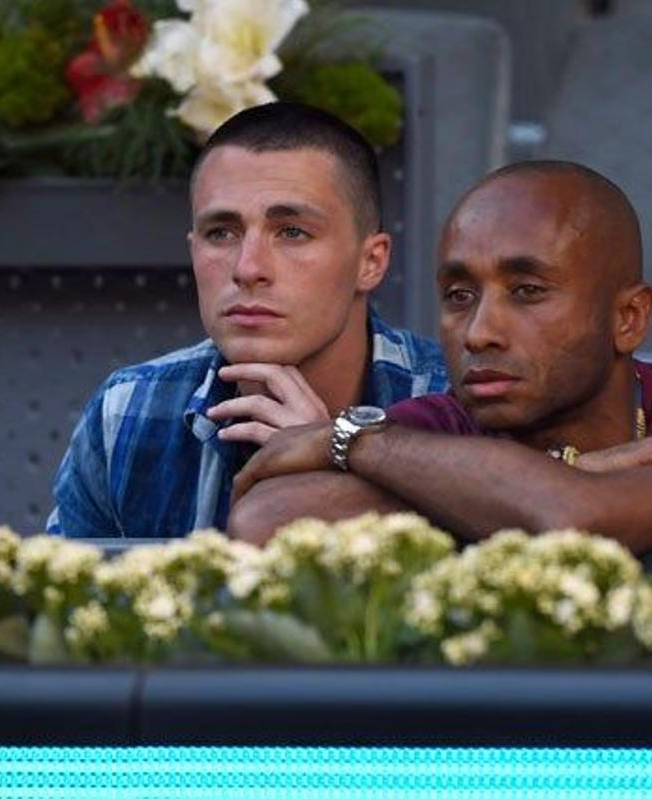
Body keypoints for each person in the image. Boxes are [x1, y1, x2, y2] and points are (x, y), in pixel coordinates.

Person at [228, 161, 652, 553]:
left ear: (628, 319)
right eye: (459, 296)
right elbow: (267, 522)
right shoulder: (442, 427)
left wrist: (352, 440)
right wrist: (607, 464)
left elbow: (575, 520)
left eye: (528, 292)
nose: (480, 332)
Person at [47, 103, 449, 538]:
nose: (247, 267)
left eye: (292, 232)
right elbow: (61, 602)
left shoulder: (455, 404)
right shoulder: (128, 409)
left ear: (370, 262)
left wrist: (330, 471)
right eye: (221, 233)